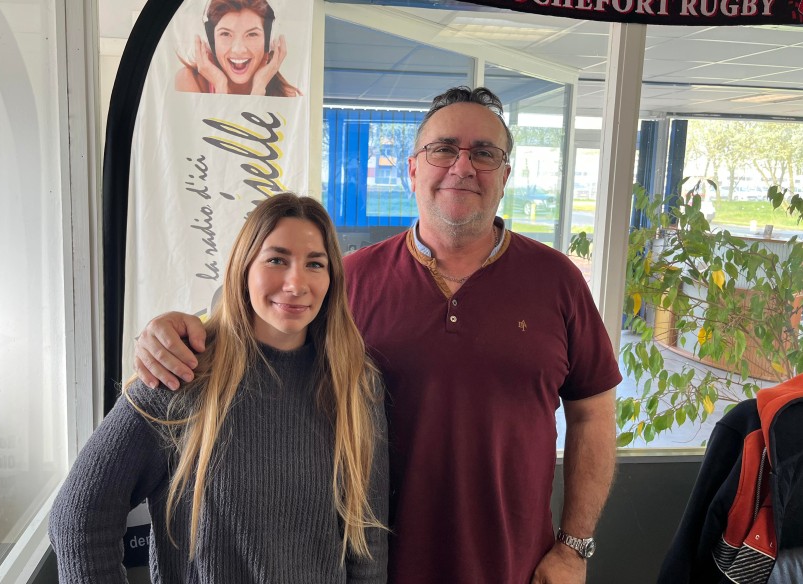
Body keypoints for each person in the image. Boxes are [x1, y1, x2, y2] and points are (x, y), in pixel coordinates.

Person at [134, 87, 622, 584]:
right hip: (370, 569)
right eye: (443, 149)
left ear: (505, 176)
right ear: (412, 170)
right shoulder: (348, 281)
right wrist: (175, 330)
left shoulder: (557, 281)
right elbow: (253, 329)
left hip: (518, 568)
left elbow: (594, 414)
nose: (462, 167)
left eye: (484, 153)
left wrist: (574, 547)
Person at [50, 194, 388, 582]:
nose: (296, 283)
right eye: (276, 260)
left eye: (315, 264)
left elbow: (368, 544)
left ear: (331, 279)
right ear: (243, 268)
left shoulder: (356, 383)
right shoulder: (181, 375)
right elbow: (79, 518)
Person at [175, 0, 302, 97]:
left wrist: (258, 89)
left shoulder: (286, 94)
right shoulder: (189, 81)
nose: (238, 50)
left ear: (268, 41)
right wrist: (220, 86)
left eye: (252, 34)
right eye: (225, 34)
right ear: (210, 40)